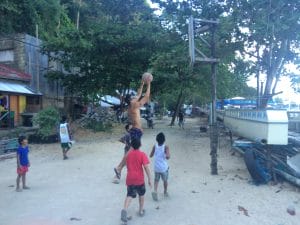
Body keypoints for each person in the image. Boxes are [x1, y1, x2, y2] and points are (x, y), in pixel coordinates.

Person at [120, 138, 152, 223]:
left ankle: (124, 210)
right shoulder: (142, 154)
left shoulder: (128, 155)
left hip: (130, 179)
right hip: (139, 180)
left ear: (131, 146)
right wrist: (149, 178)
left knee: (129, 195)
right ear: (140, 145)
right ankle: (141, 211)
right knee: (141, 195)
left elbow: (125, 162)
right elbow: (146, 167)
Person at [125, 74, 151, 140]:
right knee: (134, 148)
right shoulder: (135, 104)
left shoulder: (130, 105)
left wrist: (142, 85)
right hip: (137, 130)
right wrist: (148, 84)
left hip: (134, 129)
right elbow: (146, 97)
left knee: (131, 147)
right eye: (132, 96)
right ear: (131, 99)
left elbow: (138, 95)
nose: (134, 96)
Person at [149, 132, 170, 201]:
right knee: (165, 180)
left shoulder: (155, 146)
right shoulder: (166, 147)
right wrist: (167, 155)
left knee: (156, 180)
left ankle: (155, 191)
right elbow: (168, 157)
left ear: (156, 140)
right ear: (164, 140)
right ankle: (165, 191)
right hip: (164, 168)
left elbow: (151, 155)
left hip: (156, 167)